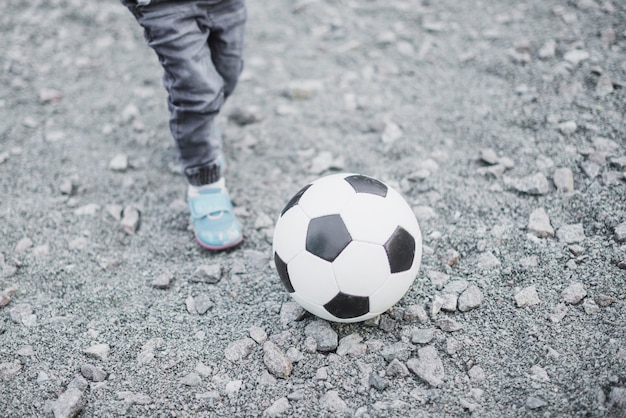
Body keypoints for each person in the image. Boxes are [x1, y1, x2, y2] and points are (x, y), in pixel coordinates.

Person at [120, 0, 247, 250]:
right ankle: (205, 182)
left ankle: (200, 131)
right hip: (165, 7)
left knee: (226, 73)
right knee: (196, 90)